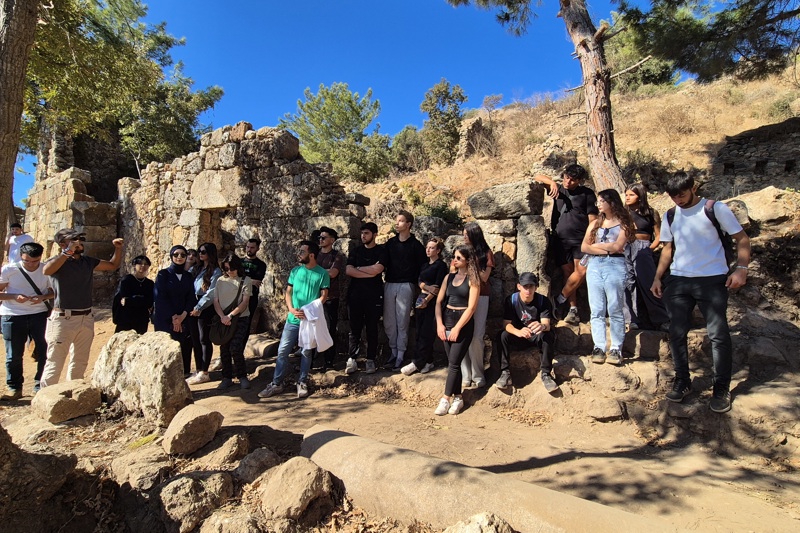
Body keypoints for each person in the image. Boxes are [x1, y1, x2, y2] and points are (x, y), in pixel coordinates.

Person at [652, 172, 750, 414]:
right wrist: (658, 277)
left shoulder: (715, 209)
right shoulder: (671, 214)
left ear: (693, 188)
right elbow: (668, 248)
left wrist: (741, 270)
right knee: (676, 332)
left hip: (712, 279)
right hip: (679, 280)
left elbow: (742, 238)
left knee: (718, 334)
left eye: (682, 195)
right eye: (673, 196)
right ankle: (682, 380)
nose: (678, 200)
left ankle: (721, 388)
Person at [40, 229, 124, 387]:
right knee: (55, 362)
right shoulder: (58, 262)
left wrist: (118, 248)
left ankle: (74, 394)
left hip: (86, 318)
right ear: (62, 244)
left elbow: (112, 265)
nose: (78, 242)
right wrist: (67, 252)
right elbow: (46, 270)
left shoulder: (87, 262)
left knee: (80, 361)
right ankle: (46, 397)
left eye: (79, 239)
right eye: (73, 240)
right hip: (63, 319)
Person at [258, 240, 330, 399]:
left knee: (306, 352)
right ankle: (276, 384)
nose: (299, 254)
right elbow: (288, 292)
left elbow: (324, 296)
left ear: (311, 255)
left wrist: (310, 310)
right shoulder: (295, 271)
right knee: (282, 351)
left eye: (302, 252)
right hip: (292, 320)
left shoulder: (322, 273)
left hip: (308, 320)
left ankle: (302, 382)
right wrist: (291, 309)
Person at [533, 164, 598, 325]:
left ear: (580, 181)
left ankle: (560, 299)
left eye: (573, 180)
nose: (568, 182)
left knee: (581, 271)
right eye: (566, 177)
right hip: (560, 240)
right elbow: (536, 176)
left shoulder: (587, 194)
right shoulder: (559, 189)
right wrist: (552, 183)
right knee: (567, 273)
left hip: (581, 240)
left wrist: (590, 239)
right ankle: (573, 310)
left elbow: (593, 219)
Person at [581, 189, 635, 366]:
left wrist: (597, 246)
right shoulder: (595, 223)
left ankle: (616, 347)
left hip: (615, 265)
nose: (598, 204)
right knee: (596, 308)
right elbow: (584, 247)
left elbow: (618, 246)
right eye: (598, 201)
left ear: (612, 202)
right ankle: (599, 346)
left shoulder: (624, 223)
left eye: (602, 201)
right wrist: (607, 247)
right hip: (595, 265)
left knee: (615, 307)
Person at [0, 242, 53, 399]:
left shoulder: (46, 270)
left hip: (39, 314)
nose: (31, 264)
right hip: (12, 315)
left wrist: (43, 297)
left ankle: (40, 385)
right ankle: (14, 387)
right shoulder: (9, 270)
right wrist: (14, 297)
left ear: (40, 257)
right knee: (13, 354)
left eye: (35, 261)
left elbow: (55, 291)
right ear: (20, 257)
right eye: (26, 261)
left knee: (44, 351)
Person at [433, 245, 480, 416]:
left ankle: (445, 399)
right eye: (454, 257)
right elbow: (439, 302)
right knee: (454, 363)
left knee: (453, 363)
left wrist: (457, 328)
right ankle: (458, 397)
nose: (455, 260)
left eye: (459, 257)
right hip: (447, 319)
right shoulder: (448, 277)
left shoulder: (473, 280)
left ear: (468, 260)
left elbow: (472, 308)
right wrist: (440, 324)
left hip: (463, 323)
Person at [496, 272, 557, 391]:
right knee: (502, 335)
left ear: (536, 287)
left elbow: (547, 325)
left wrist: (541, 326)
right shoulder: (512, 300)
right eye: (525, 286)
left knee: (548, 336)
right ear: (519, 286)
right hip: (518, 336)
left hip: (535, 336)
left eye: (531, 286)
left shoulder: (543, 301)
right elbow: (506, 324)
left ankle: (546, 374)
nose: (528, 290)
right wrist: (517, 331)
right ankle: (505, 373)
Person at [382, 210, 426, 370]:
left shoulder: (416, 245)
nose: (397, 223)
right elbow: (383, 263)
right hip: (390, 283)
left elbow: (422, 267)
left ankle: (400, 354)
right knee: (389, 321)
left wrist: (420, 286)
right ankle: (393, 352)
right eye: (397, 220)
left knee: (402, 321)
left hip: (407, 285)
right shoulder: (390, 243)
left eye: (400, 221)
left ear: (408, 224)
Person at [623, 183, 669, 331]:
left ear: (640, 196)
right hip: (624, 247)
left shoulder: (650, 212)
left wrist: (649, 249)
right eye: (626, 194)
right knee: (627, 283)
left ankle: (661, 319)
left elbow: (658, 235)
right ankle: (631, 320)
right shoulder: (623, 212)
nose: (627, 197)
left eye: (632, 195)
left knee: (649, 283)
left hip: (643, 247)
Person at [344, 222, 387, 375]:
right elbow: (349, 271)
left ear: (375, 234)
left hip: (373, 296)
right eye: (362, 233)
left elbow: (378, 269)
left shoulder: (381, 251)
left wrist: (358, 269)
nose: (363, 236)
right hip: (355, 295)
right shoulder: (356, 251)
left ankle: (371, 359)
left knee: (372, 328)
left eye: (367, 233)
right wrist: (369, 272)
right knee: (354, 329)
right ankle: (352, 359)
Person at [401, 237, 448, 376]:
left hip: (432, 301)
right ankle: (428, 361)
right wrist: (426, 287)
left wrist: (427, 299)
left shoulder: (441, 266)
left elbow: (438, 287)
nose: (428, 250)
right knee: (419, 331)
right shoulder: (424, 265)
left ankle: (417, 362)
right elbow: (420, 281)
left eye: (432, 248)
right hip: (421, 298)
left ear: (438, 250)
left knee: (427, 332)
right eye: (427, 247)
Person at [152, 245, 195, 375]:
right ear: (171, 256)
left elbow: (191, 297)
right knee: (167, 347)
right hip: (165, 318)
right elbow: (160, 297)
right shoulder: (163, 274)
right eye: (176, 254)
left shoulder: (188, 276)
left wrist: (182, 316)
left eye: (183, 255)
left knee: (184, 346)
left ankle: (184, 374)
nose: (179, 257)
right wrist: (174, 317)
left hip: (184, 318)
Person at [461, 222, 494, 388]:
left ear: (474, 235)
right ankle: (465, 375)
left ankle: (478, 374)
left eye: (466, 235)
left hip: (481, 296)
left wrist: (470, 264)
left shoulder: (486, 254)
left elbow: (484, 277)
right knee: (462, 335)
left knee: (477, 336)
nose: (464, 237)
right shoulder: (461, 252)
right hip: (462, 297)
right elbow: (455, 272)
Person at [213, 253, 252, 390]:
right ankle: (227, 377)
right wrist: (222, 317)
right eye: (226, 268)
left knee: (235, 347)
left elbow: (244, 302)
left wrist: (230, 316)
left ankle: (242, 376)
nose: (229, 271)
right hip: (223, 318)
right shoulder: (220, 281)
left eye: (232, 268)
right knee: (224, 348)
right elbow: (216, 300)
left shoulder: (246, 280)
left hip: (240, 318)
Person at [187, 243, 222, 385]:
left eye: (203, 252)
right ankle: (198, 369)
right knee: (195, 339)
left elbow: (211, 292)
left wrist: (199, 307)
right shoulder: (195, 269)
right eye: (199, 251)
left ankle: (205, 371)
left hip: (205, 307)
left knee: (203, 338)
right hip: (193, 304)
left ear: (210, 254)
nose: (200, 254)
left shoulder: (215, 271)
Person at [315, 227, 346, 371]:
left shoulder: (336, 256)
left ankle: (328, 362)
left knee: (329, 329)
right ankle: (310, 361)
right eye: (319, 237)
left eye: (323, 238)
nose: (320, 240)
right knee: (312, 329)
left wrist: (314, 271)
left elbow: (333, 273)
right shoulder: (314, 254)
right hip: (313, 298)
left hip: (330, 298)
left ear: (332, 240)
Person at [111, 255, 154, 334]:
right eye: (140, 263)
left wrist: (132, 299)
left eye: (145, 264)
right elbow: (124, 299)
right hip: (126, 318)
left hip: (142, 318)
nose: (143, 266)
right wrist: (142, 299)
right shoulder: (126, 280)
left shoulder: (149, 283)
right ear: (134, 265)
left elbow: (150, 302)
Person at [241, 238, 267, 326]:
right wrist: (250, 281)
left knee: (247, 322)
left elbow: (257, 281)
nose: (249, 249)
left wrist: (241, 279)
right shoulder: (239, 262)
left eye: (252, 247)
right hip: (238, 295)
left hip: (252, 296)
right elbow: (233, 278)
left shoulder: (261, 265)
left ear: (257, 249)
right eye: (247, 247)